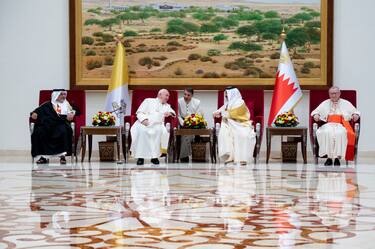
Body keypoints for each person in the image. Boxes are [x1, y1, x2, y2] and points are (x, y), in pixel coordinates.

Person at [311, 86, 360, 166]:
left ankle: (337, 158)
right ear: (329, 94)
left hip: (341, 124)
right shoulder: (325, 103)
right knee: (324, 132)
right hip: (328, 124)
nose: (333, 95)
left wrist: (355, 115)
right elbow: (315, 111)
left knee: (340, 133)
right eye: (331, 93)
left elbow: (355, 111)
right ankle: (329, 158)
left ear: (339, 93)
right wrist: (316, 115)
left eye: (335, 93)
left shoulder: (346, 103)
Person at [30, 89, 78, 164]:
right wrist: (34, 114)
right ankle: (43, 157)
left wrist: (72, 114)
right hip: (47, 124)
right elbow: (36, 112)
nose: (63, 96)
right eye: (61, 94)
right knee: (40, 132)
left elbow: (74, 112)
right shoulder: (47, 104)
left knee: (63, 131)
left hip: (61, 123)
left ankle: (62, 156)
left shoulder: (67, 105)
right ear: (56, 95)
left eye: (64, 94)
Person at [130, 89, 176, 165]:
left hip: (158, 124)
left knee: (158, 131)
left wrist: (170, 113)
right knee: (142, 131)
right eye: (166, 95)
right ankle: (140, 157)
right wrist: (143, 120)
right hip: (144, 123)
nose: (168, 97)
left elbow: (173, 113)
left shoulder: (167, 106)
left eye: (168, 96)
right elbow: (139, 112)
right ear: (160, 94)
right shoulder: (148, 101)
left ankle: (154, 157)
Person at [213, 87, 256, 165]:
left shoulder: (240, 102)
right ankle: (229, 157)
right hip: (230, 124)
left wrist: (222, 114)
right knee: (225, 133)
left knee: (243, 135)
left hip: (241, 124)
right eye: (225, 95)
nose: (226, 96)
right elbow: (221, 110)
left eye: (227, 94)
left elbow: (235, 113)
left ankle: (242, 158)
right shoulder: (228, 103)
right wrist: (216, 112)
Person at [178, 87, 202, 162]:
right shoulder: (179, 101)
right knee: (186, 134)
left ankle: (184, 156)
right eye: (185, 94)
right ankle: (185, 155)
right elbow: (178, 115)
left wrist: (191, 122)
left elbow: (198, 115)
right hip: (182, 123)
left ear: (192, 95)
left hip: (193, 122)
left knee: (188, 134)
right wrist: (183, 123)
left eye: (188, 95)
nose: (186, 96)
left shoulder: (197, 102)